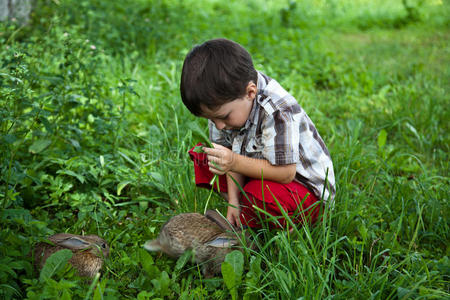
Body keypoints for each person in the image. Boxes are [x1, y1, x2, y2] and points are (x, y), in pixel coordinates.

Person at [181, 38, 335, 229]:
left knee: (259, 194)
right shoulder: (225, 106)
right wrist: (233, 200)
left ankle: (252, 223)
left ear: (250, 92)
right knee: (206, 158)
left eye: (224, 117)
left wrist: (233, 161)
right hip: (259, 173)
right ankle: (242, 213)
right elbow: (229, 154)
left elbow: (286, 173)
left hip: (303, 191)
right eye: (212, 120)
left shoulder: (277, 110)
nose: (219, 126)